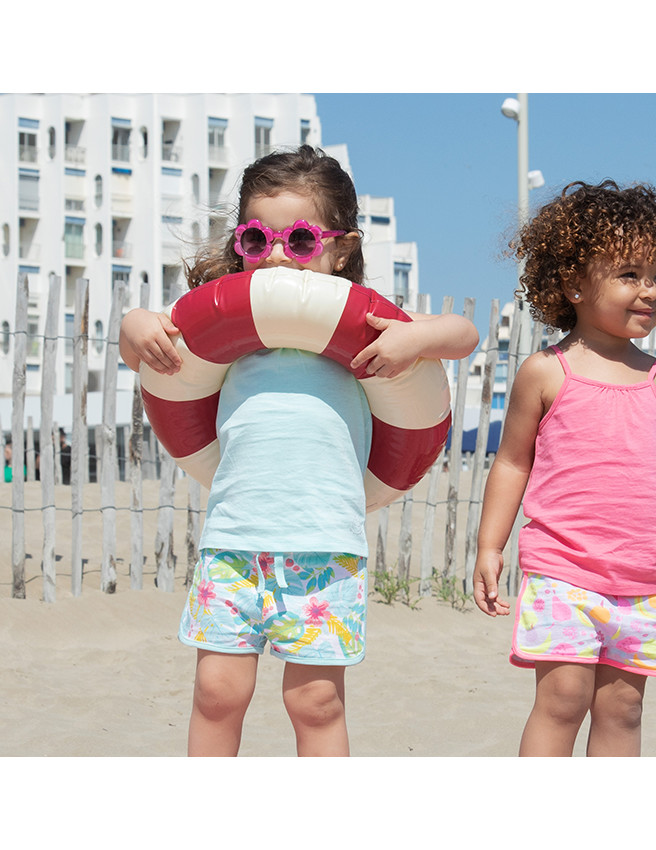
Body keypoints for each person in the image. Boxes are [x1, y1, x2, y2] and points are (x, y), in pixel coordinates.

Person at [120, 145, 478, 756]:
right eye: (257, 240)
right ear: (240, 246)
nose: (278, 255)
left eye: (302, 240)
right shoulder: (220, 334)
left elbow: (464, 335)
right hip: (234, 543)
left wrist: (416, 338)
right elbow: (140, 343)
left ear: (342, 249)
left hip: (323, 548)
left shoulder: (373, 329)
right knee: (216, 693)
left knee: (314, 702)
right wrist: (134, 323)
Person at [473, 180, 656, 757]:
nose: (651, 290)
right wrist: (490, 545)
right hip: (563, 568)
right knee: (563, 699)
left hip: (642, 579)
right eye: (630, 273)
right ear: (572, 283)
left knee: (623, 709)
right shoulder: (546, 373)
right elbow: (512, 464)